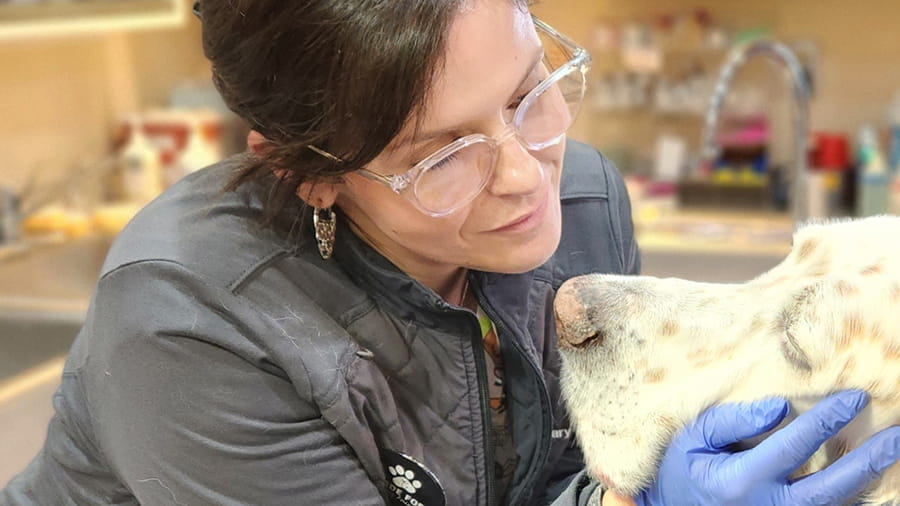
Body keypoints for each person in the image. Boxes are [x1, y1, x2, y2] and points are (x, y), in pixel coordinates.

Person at [3, 0, 899, 505]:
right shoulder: (191, 325)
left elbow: (565, 475)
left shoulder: (580, 203)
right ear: (311, 175)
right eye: (438, 155)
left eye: (528, 92)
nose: (527, 178)